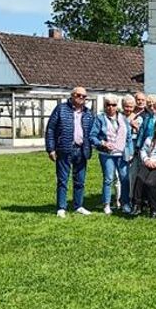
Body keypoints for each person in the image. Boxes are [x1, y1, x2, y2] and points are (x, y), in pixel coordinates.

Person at [45, 86, 94, 218]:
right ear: (72, 96)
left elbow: (92, 133)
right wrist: (51, 148)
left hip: (81, 150)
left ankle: (78, 206)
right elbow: (50, 129)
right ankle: (61, 207)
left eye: (84, 96)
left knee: (80, 181)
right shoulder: (61, 109)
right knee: (63, 180)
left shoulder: (88, 113)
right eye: (79, 95)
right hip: (65, 149)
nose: (81, 98)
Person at [90, 93, 134, 215]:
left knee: (124, 179)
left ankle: (125, 203)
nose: (111, 107)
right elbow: (92, 136)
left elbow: (129, 138)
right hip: (107, 154)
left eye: (113, 105)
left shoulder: (123, 118)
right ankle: (107, 204)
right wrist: (102, 143)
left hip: (122, 153)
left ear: (117, 106)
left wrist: (130, 152)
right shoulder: (100, 118)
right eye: (108, 105)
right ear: (105, 106)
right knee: (108, 179)